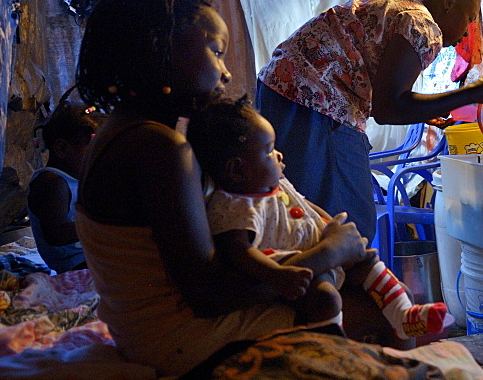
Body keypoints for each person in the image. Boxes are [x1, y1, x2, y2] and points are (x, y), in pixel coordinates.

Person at [74, 0, 399, 377]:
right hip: (175, 336)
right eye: (215, 51)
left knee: (346, 290)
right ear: (162, 47)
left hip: (141, 331)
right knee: (369, 314)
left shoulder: (126, 128)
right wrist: (327, 253)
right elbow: (208, 295)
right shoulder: (159, 148)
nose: (225, 73)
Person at [256, 0, 483, 244]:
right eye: (469, 18)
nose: (467, 31)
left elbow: (384, 98)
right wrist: (472, 93)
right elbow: (388, 110)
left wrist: (424, 108)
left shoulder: (397, 7)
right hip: (316, 103)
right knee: (348, 226)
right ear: (448, 3)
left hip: (280, 91)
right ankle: (338, 285)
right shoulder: (423, 25)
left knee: (299, 213)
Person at [186, 96, 449, 339]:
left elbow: (306, 206)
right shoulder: (234, 206)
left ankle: (402, 313)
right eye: (268, 150)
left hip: (326, 252)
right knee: (325, 299)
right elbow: (240, 252)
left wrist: (332, 227)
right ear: (236, 169)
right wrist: (278, 275)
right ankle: (332, 345)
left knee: (372, 264)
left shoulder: (272, 181)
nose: (279, 155)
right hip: (304, 270)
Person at [28, 99, 98, 273]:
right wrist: (101, 225)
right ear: (62, 148)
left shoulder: (72, 179)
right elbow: (55, 235)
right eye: (91, 151)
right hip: (76, 264)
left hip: (86, 259)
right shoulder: (52, 182)